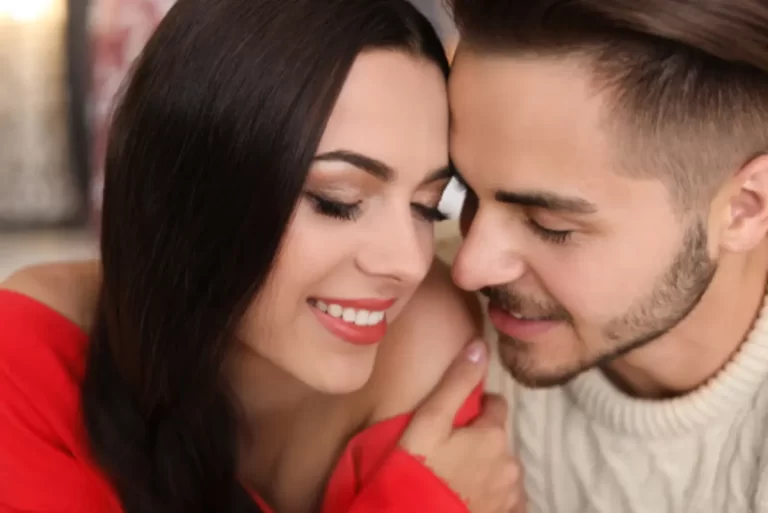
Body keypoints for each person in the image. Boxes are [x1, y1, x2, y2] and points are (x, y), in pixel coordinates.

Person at [0, 0, 520, 512]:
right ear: (190, 189)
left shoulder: (427, 347)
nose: (408, 263)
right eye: (338, 201)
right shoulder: (30, 351)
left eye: (427, 207)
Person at [445, 0, 768, 511]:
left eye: (550, 226)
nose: (469, 267)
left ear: (745, 209)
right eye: (462, 191)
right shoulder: (427, 331)